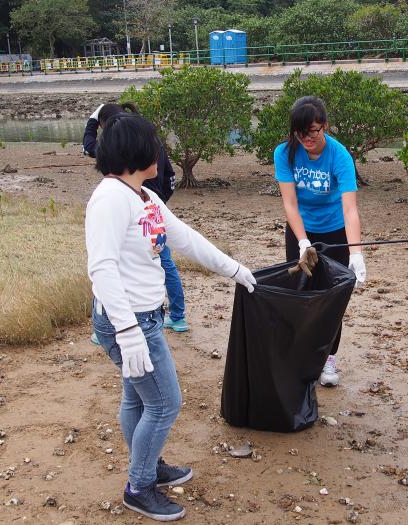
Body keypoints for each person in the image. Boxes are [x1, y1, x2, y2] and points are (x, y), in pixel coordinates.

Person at [86, 112, 256, 521]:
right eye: (155, 144)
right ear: (136, 151)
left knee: (138, 399)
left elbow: (187, 240)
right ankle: (139, 486)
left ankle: (149, 464)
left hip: (146, 317)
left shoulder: (145, 196)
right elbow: (102, 268)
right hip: (126, 322)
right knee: (165, 404)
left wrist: (235, 269)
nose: (161, 152)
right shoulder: (109, 198)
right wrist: (127, 334)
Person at [274, 96, 366, 387]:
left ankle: (328, 358)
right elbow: (290, 204)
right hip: (301, 230)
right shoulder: (285, 153)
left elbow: (350, 208)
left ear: (324, 126)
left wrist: (356, 253)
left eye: (313, 131)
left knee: (331, 299)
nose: (307, 138)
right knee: (298, 294)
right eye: (300, 132)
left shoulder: (339, 156)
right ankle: (298, 356)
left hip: (335, 232)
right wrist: (302, 241)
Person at [84, 102, 189, 334]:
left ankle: (118, 323)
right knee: (161, 260)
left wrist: (92, 120)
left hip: (147, 210)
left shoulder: (123, 144)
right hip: (150, 210)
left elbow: (88, 146)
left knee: (143, 260)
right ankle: (177, 315)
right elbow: (170, 177)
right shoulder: (114, 195)